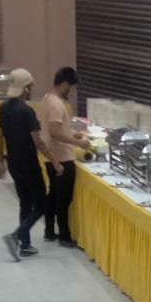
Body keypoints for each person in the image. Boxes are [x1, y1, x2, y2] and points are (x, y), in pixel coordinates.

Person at [0, 68, 61, 261]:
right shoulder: (27, 112)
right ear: (25, 88)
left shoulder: (3, 108)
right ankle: (16, 236)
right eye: (30, 86)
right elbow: (38, 142)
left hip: (13, 163)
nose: (31, 90)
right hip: (29, 164)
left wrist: (0, 161)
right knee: (41, 205)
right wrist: (55, 162)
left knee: (25, 202)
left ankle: (24, 244)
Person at [41, 66, 88, 249]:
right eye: (72, 88)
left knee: (53, 195)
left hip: (52, 155)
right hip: (61, 158)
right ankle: (64, 235)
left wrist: (71, 133)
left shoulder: (48, 98)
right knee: (64, 199)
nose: (72, 92)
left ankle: (49, 230)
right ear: (65, 85)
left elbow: (57, 129)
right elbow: (54, 132)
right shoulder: (57, 105)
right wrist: (78, 143)